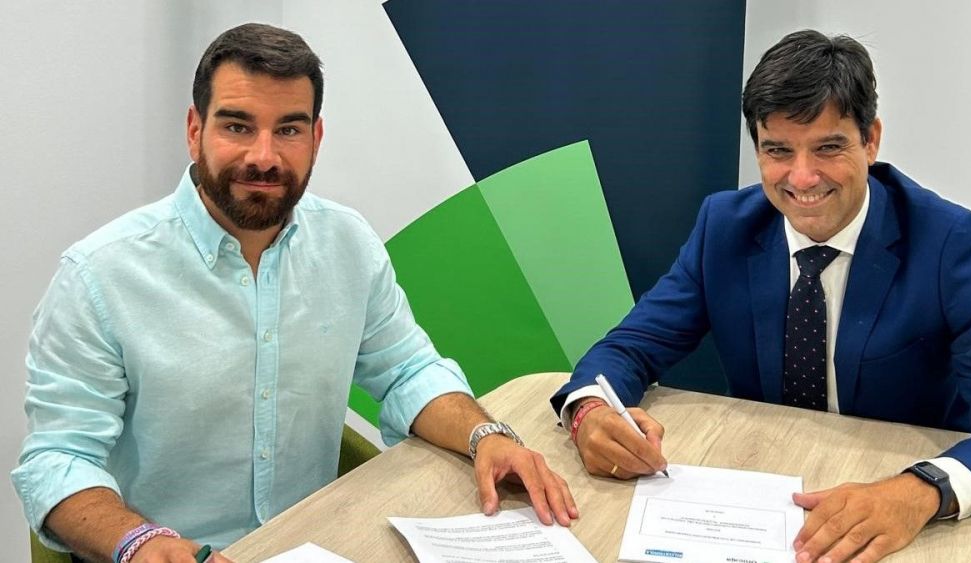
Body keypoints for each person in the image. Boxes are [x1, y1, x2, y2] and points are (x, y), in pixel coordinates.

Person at [13, 23, 577, 563]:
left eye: (288, 129)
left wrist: (486, 436)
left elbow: (406, 371)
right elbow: (59, 459)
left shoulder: (348, 244)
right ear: (194, 130)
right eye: (237, 127)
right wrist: (138, 542)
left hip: (321, 542)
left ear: (316, 138)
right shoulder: (99, 276)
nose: (264, 156)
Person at [552, 29, 971, 562]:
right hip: (759, 498)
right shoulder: (725, 226)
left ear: (871, 140)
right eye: (778, 151)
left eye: (828, 147)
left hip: (900, 508)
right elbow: (629, 348)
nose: (802, 177)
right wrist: (590, 412)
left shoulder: (954, 244)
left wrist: (918, 493)